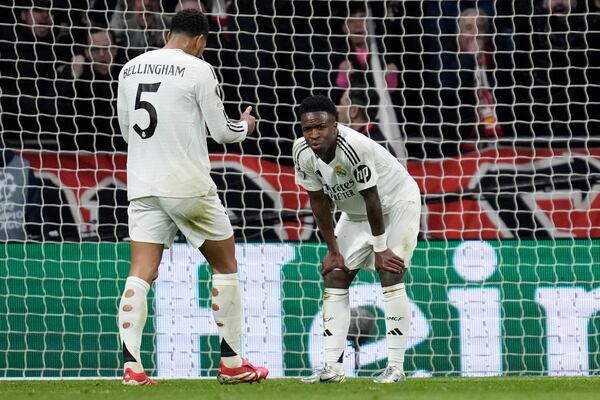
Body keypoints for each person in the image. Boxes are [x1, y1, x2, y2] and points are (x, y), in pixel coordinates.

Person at [116, 9, 268, 385]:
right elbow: (222, 132)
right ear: (200, 41)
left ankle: (132, 368)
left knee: (141, 272)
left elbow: (125, 130)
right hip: (186, 184)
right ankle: (232, 365)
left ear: (171, 32)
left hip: (142, 183)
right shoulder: (198, 69)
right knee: (225, 264)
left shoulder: (129, 68)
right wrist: (246, 125)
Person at [294, 95, 421, 383]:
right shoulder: (301, 152)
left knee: (390, 270)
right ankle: (332, 368)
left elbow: (372, 198)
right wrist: (333, 250)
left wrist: (380, 248)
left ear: (335, 125)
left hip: (395, 203)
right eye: (307, 129)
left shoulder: (354, 148)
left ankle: (396, 368)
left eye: (320, 127)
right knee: (335, 274)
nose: (314, 134)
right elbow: (318, 201)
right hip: (355, 212)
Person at [54, 27, 127, 151]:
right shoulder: (76, 74)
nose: (102, 54)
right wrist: (73, 76)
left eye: (106, 48)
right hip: (84, 153)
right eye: (95, 50)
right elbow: (51, 107)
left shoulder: (127, 74)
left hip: (123, 152)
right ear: (86, 53)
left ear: (115, 50)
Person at [336, 85, 396, 157]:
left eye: (341, 104)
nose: (337, 109)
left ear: (353, 111)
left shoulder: (372, 147)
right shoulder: (361, 138)